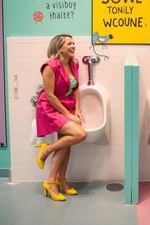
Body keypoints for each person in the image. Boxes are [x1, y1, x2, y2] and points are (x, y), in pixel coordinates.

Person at [35, 34, 87, 201]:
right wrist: (68, 114)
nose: (73, 46)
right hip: (50, 108)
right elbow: (50, 96)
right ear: (59, 48)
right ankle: (47, 150)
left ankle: (57, 180)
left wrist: (78, 110)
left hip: (66, 105)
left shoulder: (74, 63)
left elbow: (76, 88)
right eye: (69, 44)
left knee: (66, 143)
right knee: (79, 134)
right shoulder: (49, 67)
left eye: (73, 43)